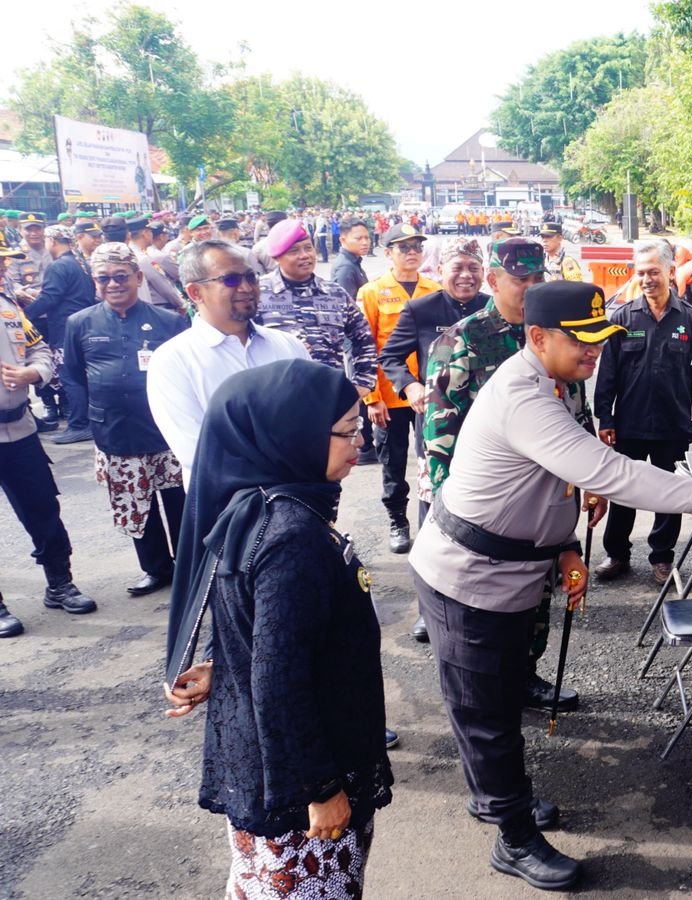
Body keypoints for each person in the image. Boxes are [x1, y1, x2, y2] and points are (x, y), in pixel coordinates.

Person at [408, 279, 692, 891]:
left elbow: (546, 483)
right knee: (487, 715)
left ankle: (497, 796)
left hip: (511, 569)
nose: (595, 351)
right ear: (537, 337)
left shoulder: (554, 381)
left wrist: (564, 547)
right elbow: (611, 473)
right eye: (581, 340)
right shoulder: (523, 396)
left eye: (600, 339)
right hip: (468, 578)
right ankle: (512, 836)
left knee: (499, 699)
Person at [161, 360, 393, 899]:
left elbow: (257, 627)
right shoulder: (293, 537)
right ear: (294, 435)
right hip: (298, 791)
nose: (360, 441)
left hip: (271, 765)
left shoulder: (255, 507)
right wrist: (321, 788)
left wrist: (223, 663)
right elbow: (280, 682)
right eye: (347, 431)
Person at [419, 237, 601, 698]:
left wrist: (591, 481)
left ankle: (524, 676)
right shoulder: (462, 340)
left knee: (540, 594)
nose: (531, 288)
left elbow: (576, 414)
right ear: (493, 280)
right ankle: (486, 691)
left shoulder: (558, 332)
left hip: (546, 504)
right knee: (484, 615)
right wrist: (456, 517)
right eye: (521, 279)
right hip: (490, 507)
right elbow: (439, 440)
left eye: (539, 278)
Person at [60, 243, 190, 596]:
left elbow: (185, 369)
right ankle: (155, 569)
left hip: (164, 429)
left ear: (138, 277)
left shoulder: (169, 321)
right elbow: (74, 371)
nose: (113, 284)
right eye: (104, 278)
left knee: (179, 501)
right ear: (94, 281)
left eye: (121, 276)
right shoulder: (79, 323)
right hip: (115, 431)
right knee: (135, 505)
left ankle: (189, 565)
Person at [593, 240, 692, 586]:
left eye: (653, 272)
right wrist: (605, 417)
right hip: (629, 425)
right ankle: (617, 554)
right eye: (641, 273)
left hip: (673, 426)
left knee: (670, 495)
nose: (647, 279)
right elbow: (608, 374)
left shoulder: (691, 320)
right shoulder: (622, 318)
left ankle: (662, 557)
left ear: (670, 271)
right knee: (623, 492)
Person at [378, 237, 487, 641]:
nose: (466, 275)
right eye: (457, 267)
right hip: (438, 435)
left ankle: (482, 596)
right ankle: (431, 607)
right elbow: (390, 357)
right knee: (434, 520)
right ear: (440, 271)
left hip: (488, 433)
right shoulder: (421, 309)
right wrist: (408, 386)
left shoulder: (494, 308)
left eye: (473, 268)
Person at [145, 240, 310, 478]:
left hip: (301, 492)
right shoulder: (172, 361)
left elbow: (313, 420)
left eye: (251, 277)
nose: (246, 288)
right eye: (230, 280)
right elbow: (196, 450)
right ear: (195, 292)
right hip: (228, 498)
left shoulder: (288, 345)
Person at [0, 241, 98, 637]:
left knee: (43, 507)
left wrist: (34, 373)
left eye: (3, 262)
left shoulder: (8, 308)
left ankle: (60, 583)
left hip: (19, 428)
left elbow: (38, 347)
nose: (3, 268)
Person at [358, 224, 440, 553]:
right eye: (403, 247)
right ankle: (398, 521)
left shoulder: (434, 289)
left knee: (431, 461)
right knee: (393, 464)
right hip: (389, 397)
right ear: (388, 252)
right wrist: (371, 398)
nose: (412, 253)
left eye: (417, 246)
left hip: (429, 396)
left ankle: (434, 522)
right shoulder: (373, 292)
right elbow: (363, 347)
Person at [256, 218, 380, 408]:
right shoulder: (258, 294)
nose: (304, 255)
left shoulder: (334, 293)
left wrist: (364, 382)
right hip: (277, 403)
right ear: (276, 257)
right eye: (294, 251)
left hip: (329, 401)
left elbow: (363, 338)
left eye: (308, 248)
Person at [30, 219, 103, 444]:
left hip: (65, 329)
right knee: (79, 376)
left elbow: (49, 298)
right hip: (82, 326)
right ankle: (86, 422)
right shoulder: (79, 263)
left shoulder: (58, 266)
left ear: (52, 241)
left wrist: (23, 314)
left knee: (70, 378)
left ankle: (79, 424)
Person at [126, 216, 186, 311]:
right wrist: (181, 304)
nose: (152, 235)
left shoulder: (130, 253)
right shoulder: (142, 258)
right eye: (150, 232)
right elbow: (164, 287)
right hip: (160, 307)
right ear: (144, 233)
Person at [330, 215, 370, 301]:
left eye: (367, 238)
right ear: (343, 240)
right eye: (358, 238)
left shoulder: (353, 261)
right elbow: (346, 303)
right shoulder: (345, 267)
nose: (365, 242)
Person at [539, 216, 584, 282]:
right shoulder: (542, 259)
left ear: (559, 238)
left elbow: (576, 286)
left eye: (548, 236)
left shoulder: (567, 261)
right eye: (543, 237)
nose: (544, 240)